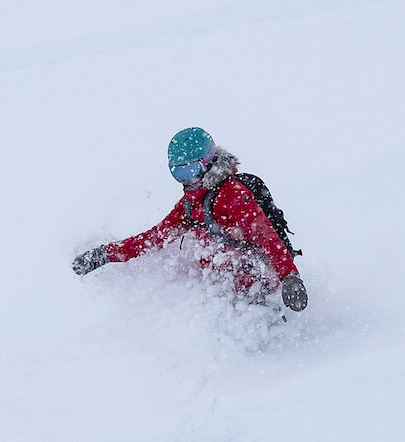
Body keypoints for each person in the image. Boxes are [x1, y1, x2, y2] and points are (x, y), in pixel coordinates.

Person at [72, 127, 308, 312]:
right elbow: (154, 238)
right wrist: (104, 254)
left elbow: (266, 236)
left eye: (189, 171)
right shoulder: (190, 205)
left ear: (208, 164)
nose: (185, 180)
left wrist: (290, 277)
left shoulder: (232, 195)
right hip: (226, 280)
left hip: (259, 278)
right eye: (177, 173)